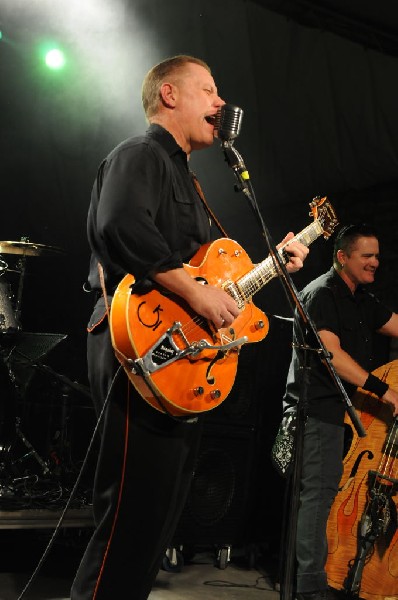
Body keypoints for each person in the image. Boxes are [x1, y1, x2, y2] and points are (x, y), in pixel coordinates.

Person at [71, 54, 309, 600]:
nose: (221, 102)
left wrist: (271, 267)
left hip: (176, 364)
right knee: (129, 518)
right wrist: (195, 291)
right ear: (170, 96)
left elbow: (210, 280)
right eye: (208, 90)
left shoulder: (187, 175)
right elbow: (119, 225)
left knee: (157, 519)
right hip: (139, 350)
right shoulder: (139, 154)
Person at [282, 223, 398, 600]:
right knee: (318, 495)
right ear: (342, 257)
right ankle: (311, 588)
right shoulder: (321, 294)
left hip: (347, 414)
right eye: (367, 256)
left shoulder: (361, 297)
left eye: (377, 256)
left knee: (337, 495)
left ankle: (337, 578)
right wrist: (388, 392)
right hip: (317, 411)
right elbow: (332, 358)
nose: (375, 263)